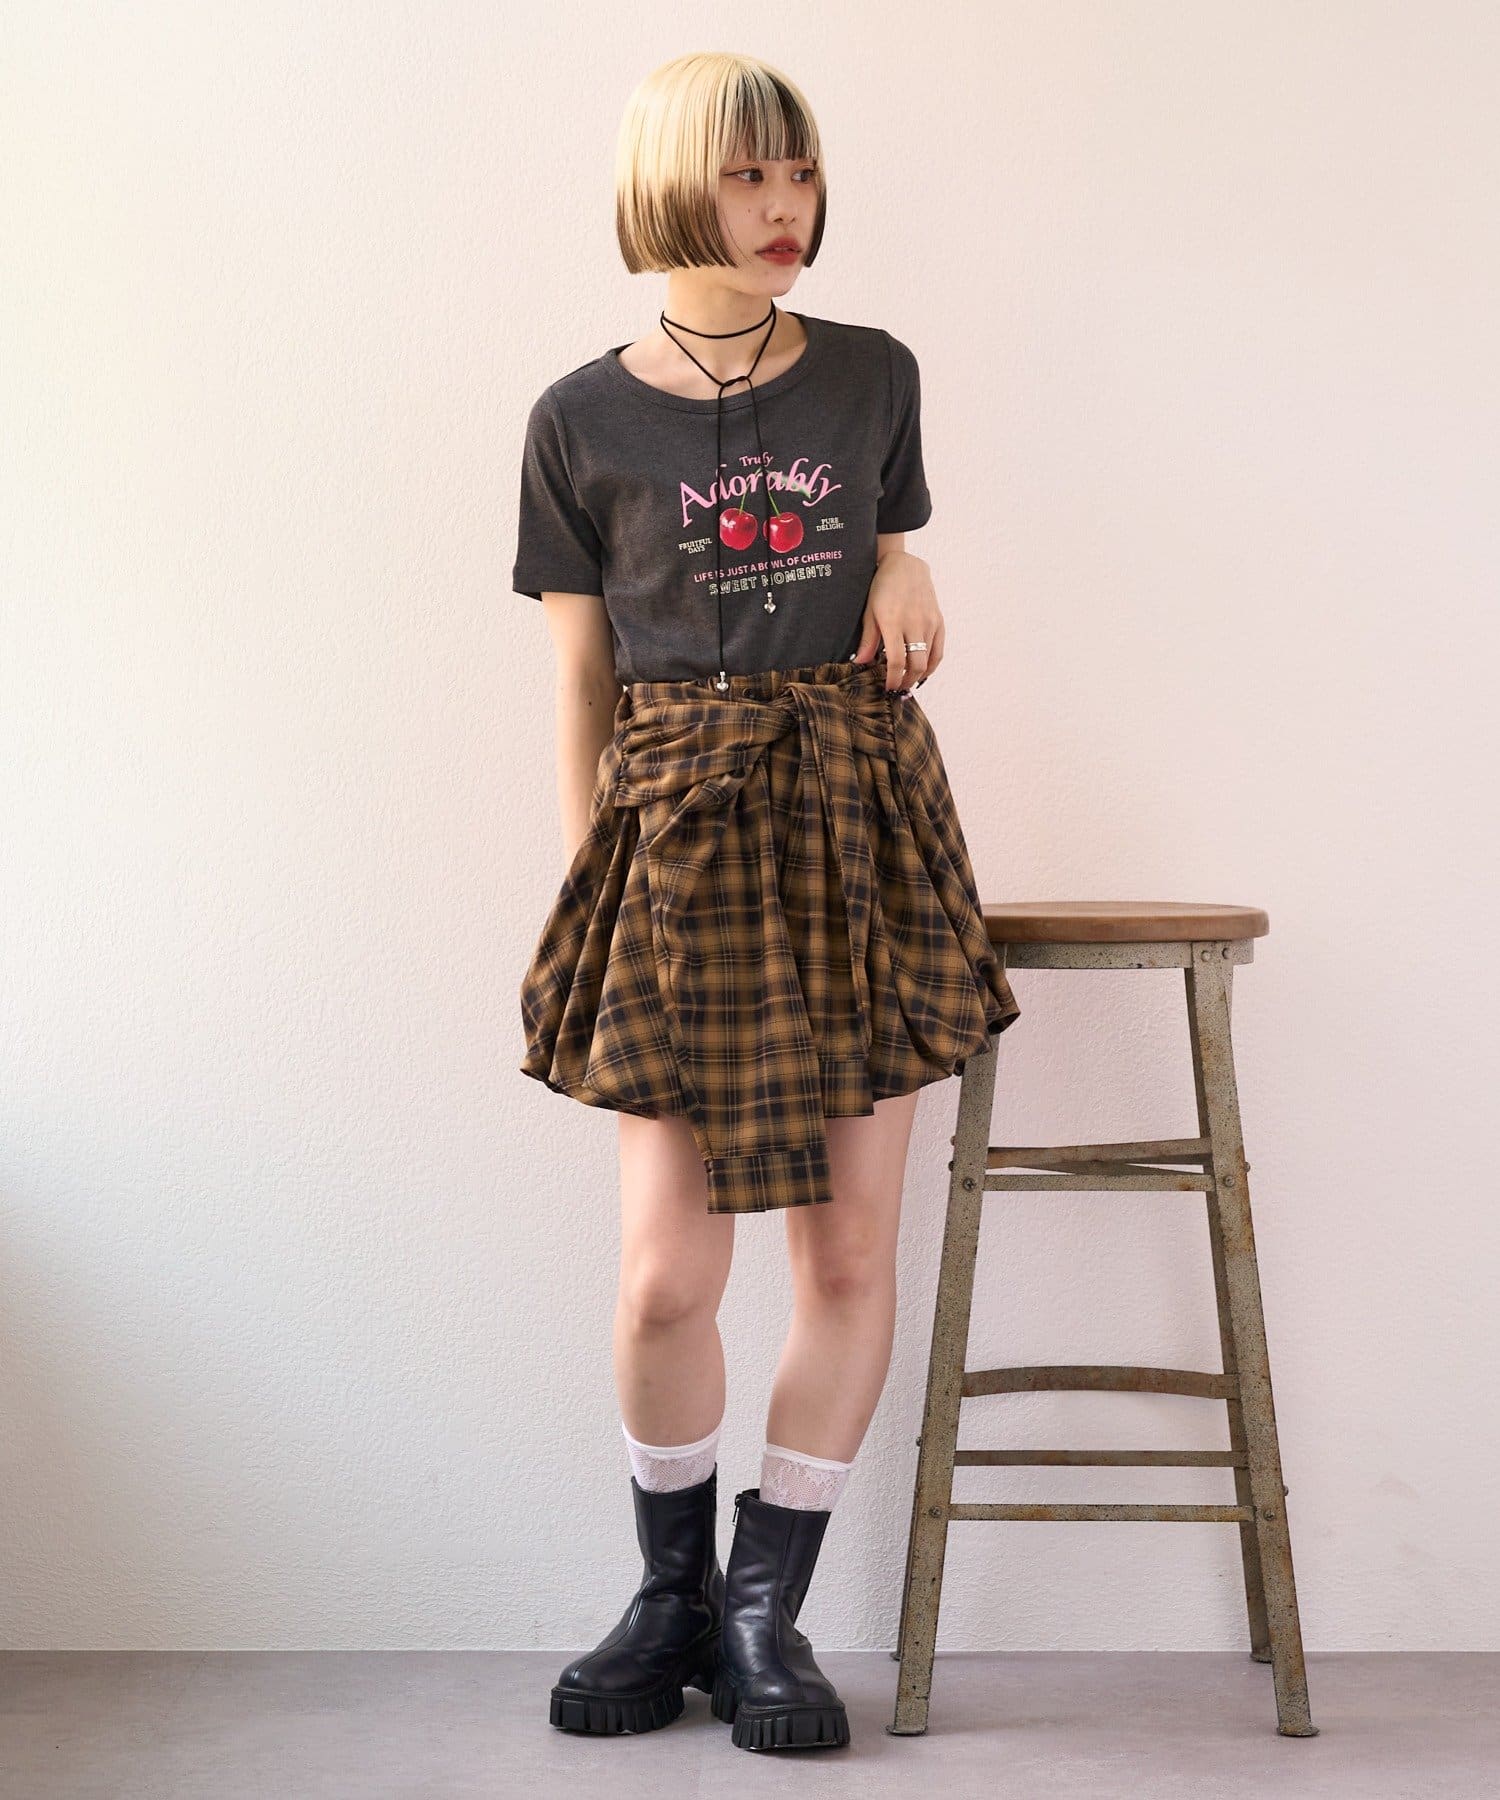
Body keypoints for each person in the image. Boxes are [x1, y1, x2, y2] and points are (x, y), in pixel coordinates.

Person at [510, 50, 1021, 1755]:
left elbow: (887, 544)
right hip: (677, 835)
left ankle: (760, 1613)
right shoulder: (578, 420)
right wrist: (590, 882)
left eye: (797, 173)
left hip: (854, 818)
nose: (783, 207)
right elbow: (580, 680)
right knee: (668, 1274)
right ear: (673, 182)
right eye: (746, 176)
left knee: (849, 1249)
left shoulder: (873, 375)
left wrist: (903, 556)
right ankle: (665, 1598)